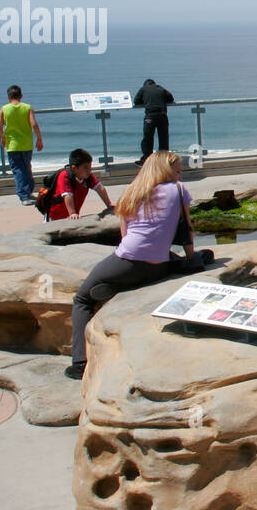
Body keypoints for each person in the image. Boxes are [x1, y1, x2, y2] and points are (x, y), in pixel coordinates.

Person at [67, 152, 209, 380]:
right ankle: (126, 283)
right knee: (174, 260)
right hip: (159, 264)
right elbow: (186, 230)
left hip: (128, 261)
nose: (180, 173)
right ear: (164, 169)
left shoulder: (131, 192)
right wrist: (192, 259)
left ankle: (79, 362)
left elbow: (124, 238)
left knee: (82, 299)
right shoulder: (179, 190)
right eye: (177, 170)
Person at [0, 85, 43, 204]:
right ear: (21, 96)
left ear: (8, 97)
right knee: (27, 168)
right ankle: (28, 191)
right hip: (26, 144)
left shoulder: (4, 109)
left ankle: (24, 196)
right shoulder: (27, 108)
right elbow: (34, 124)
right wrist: (39, 139)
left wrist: (3, 138)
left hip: (12, 145)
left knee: (18, 170)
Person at [43, 149, 115, 222]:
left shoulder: (87, 176)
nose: (89, 170)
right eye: (85, 167)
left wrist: (109, 204)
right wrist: (72, 213)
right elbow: (67, 195)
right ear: (74, 168)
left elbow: (100, 188)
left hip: (71, 216)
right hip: (54, 217)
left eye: (90, 167)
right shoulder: (65, 176)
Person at [134, 78, 175, 164]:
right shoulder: (160, 88)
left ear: (145, 84)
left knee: (148, 138)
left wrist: (145, 101)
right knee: (163, 138)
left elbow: (136, 101)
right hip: (162, 115)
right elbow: (171, 98)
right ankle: (163, 159)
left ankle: (147, 159)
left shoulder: (143, 89)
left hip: (150, 115)